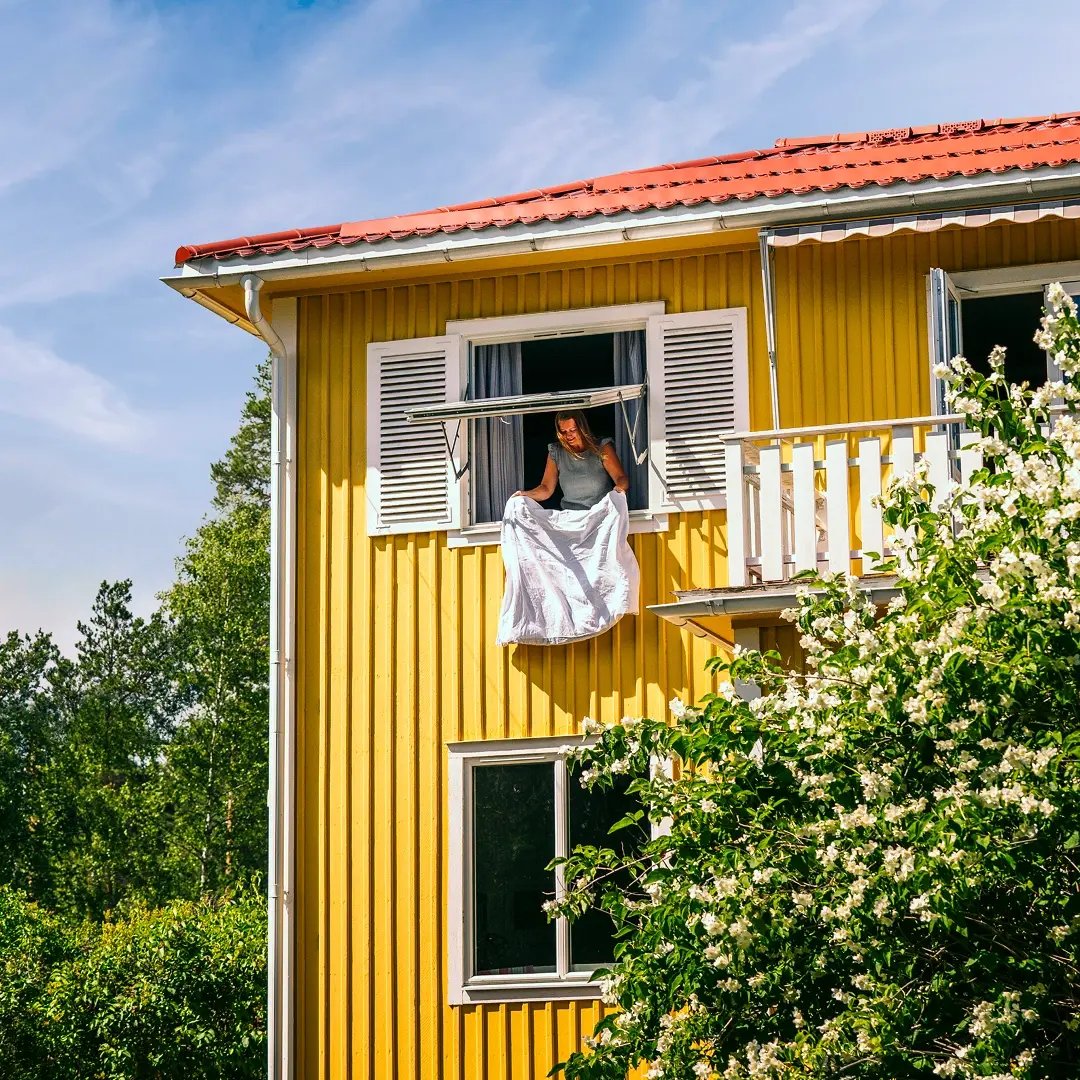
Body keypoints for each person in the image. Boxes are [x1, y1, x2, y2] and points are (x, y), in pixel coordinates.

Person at [512, 410, 629, 510]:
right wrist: (525, 494)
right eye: (563, 432)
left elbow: (620, 478)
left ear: (581, 427)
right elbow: (546, 489)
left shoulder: (602, 447)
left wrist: (618, 490)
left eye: (572, 430)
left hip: (600, 515)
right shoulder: (556, 452)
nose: (568, 435)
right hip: (571, 518)